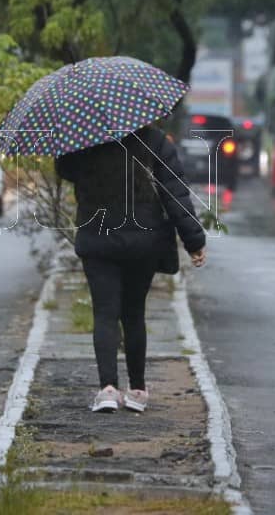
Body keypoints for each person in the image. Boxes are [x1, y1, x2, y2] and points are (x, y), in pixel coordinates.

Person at [56, 124, 206, 413]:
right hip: (143, 240)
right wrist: (194, 240)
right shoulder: (154, 140)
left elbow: (67, 171)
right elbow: (174, 192)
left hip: (97, 238)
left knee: (105, 312)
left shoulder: (83, 139)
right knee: (134, 312)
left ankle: (108, 389)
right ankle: (137, 390)